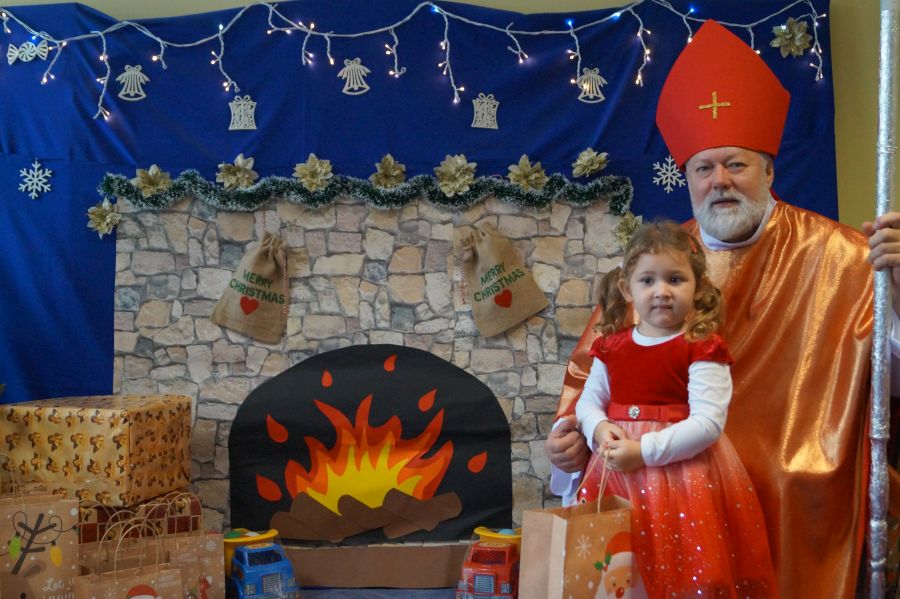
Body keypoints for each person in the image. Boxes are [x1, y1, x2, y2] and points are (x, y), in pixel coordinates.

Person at [546, 19, 900, 599]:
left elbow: (892, 376)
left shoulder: (844, 255)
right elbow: (595, 374)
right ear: (686, 177)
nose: (720, 182)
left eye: (736, 164)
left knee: (790, 478)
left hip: (796, 459)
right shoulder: (657, 266)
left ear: (769, 170)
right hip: (663, 466)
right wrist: (571, 440)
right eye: (704, 168)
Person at [574, 220, 776, 597]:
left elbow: (708, 423)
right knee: (619, 567)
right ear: (627, 288)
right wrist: (598, 428)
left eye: (675, 279)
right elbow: (588, 401)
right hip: (616, 474)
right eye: (648, 280)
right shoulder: (611, 346)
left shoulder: (702, 346)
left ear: (697, 286)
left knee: (684, 571)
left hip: (683, 478)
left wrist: (644, 452)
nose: (662, 291)